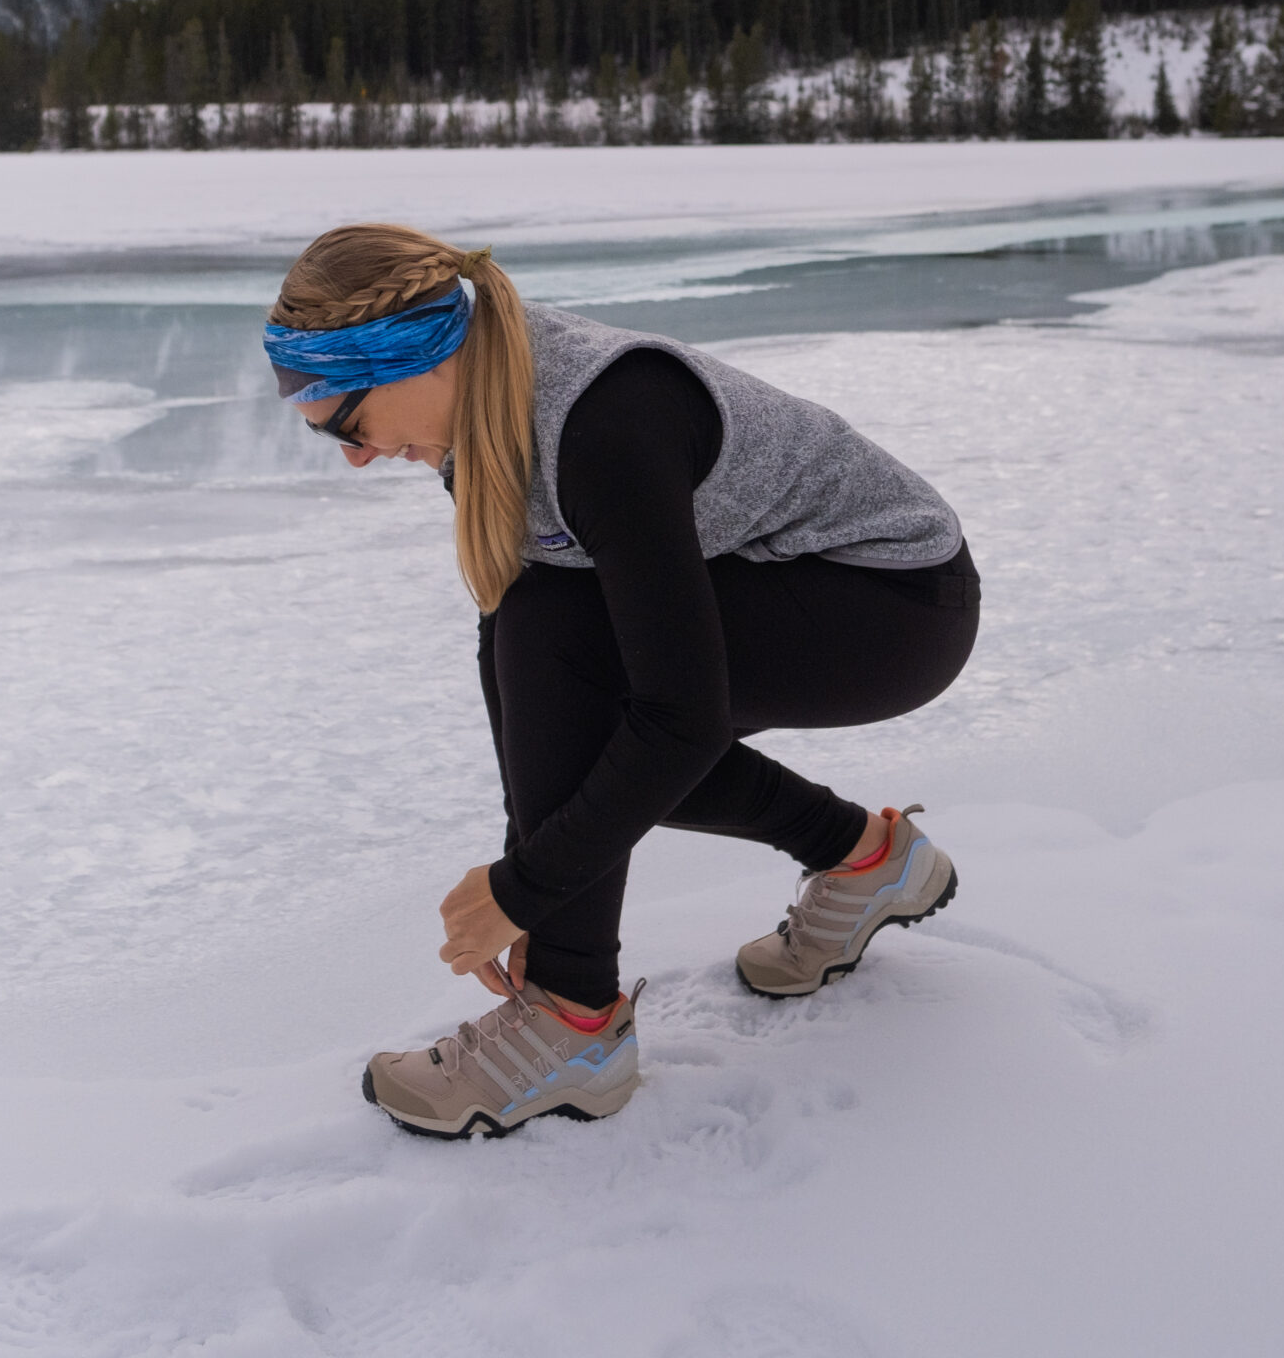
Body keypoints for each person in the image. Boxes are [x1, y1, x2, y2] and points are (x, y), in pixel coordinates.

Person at [264, 223, 979, 1141]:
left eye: (348, 426)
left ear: (416, 360)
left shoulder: (601, 422)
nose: (355, 457)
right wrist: (543, 876)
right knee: (550, 641)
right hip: (797, 587)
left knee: (602, 690)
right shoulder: (483, 411)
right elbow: (518, 666)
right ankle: (868, 861)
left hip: (895, 606)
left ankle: (571, 1028)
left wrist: (528, 889)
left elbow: (678, 719)